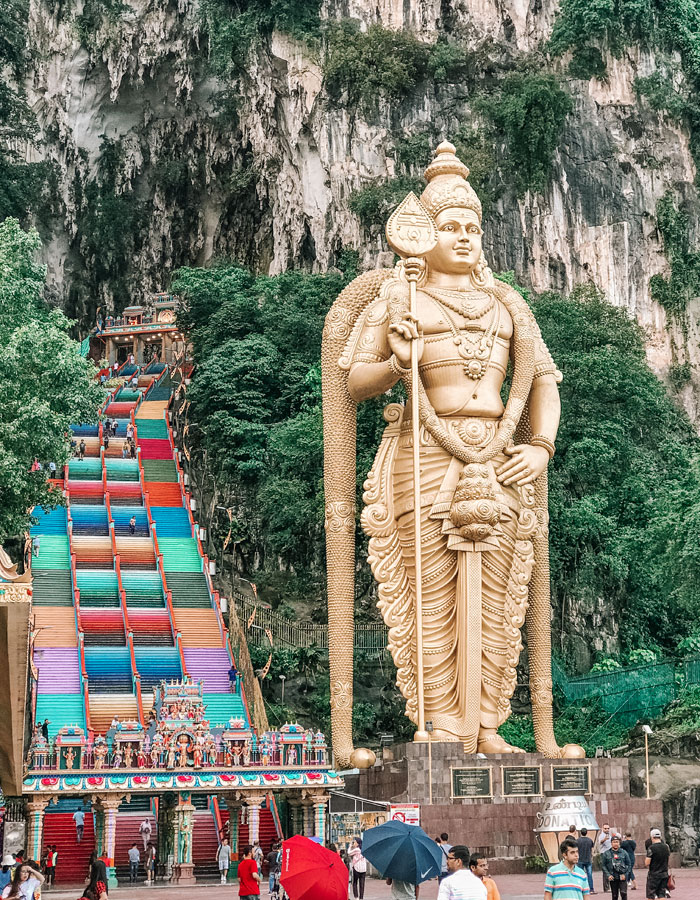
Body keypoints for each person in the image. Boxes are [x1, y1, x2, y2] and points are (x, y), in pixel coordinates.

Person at [602, 835, 632, 900]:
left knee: (623, 893)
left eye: (617, 842)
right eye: (614, 842)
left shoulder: (624, 853)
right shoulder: (607, 853)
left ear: (619, 843)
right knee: (614, 895)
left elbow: (629, 864)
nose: (615, 844)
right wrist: (608, 875)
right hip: (613, 877)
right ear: (611, 843)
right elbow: (603, 865)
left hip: (622, 876)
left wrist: (626, 874)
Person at [644, 829, 669, 900]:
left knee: (651, 895)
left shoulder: (651, 848)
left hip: (654, 875)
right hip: (664, 873)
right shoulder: (666, 847)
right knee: (662, 894)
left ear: (652, 837)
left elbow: (647, 863)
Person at [577, 827, 595, 894]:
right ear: (586, 832)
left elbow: (576, 850)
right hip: (588, 859)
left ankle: (581, 889)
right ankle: (591, 889)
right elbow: (592, 850)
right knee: (589, 875)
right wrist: (591, 857)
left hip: (580, 859)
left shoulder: (577, 841)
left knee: (580, 875)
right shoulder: (590, 840)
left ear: (580, 832)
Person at [598, 825, 613, 893]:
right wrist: (604, 839)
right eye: (605, 828)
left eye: (608, 828)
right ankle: (606, 887)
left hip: (610, 853)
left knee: (610, 869)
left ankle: (610, 886)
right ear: (602, 828)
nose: (607, 829)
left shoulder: (609, 835)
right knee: (605, 870)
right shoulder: (601, 835)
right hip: (604, 853)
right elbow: (600, 842)